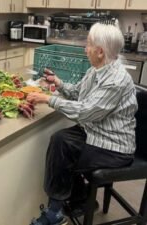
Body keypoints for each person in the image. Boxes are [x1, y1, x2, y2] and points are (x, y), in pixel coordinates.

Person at [26, 22, 138, 225]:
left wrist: (48, 99)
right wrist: (58, 83)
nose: (85, 49)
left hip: (115, 147)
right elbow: (78, 94)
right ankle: (81, 199)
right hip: (97, 133)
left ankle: (55, 212)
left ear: (100, 51)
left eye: (88, 45)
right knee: (61, 141)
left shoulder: (116, 80)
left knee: (62, 147)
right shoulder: (96, 71)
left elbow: (86, 112)